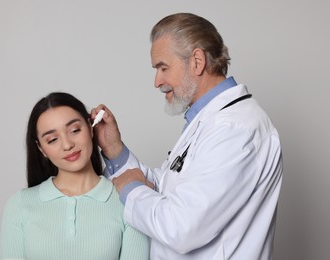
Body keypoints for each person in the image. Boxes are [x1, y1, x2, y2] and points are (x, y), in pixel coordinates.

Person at [91, 13, 283, 260]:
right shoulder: (210, 121)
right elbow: (172, 191)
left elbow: (183, 228)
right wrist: (115, 151)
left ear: (197, 61)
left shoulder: (236, 129)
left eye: (163, 67)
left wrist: (130, 189)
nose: (157, 81)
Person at [0, 92, 149, 260]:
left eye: (74, 130)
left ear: (90, 128)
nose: (67, 144)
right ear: (41, 149)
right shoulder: (18, 205)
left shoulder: (128, 201)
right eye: (52, 139)